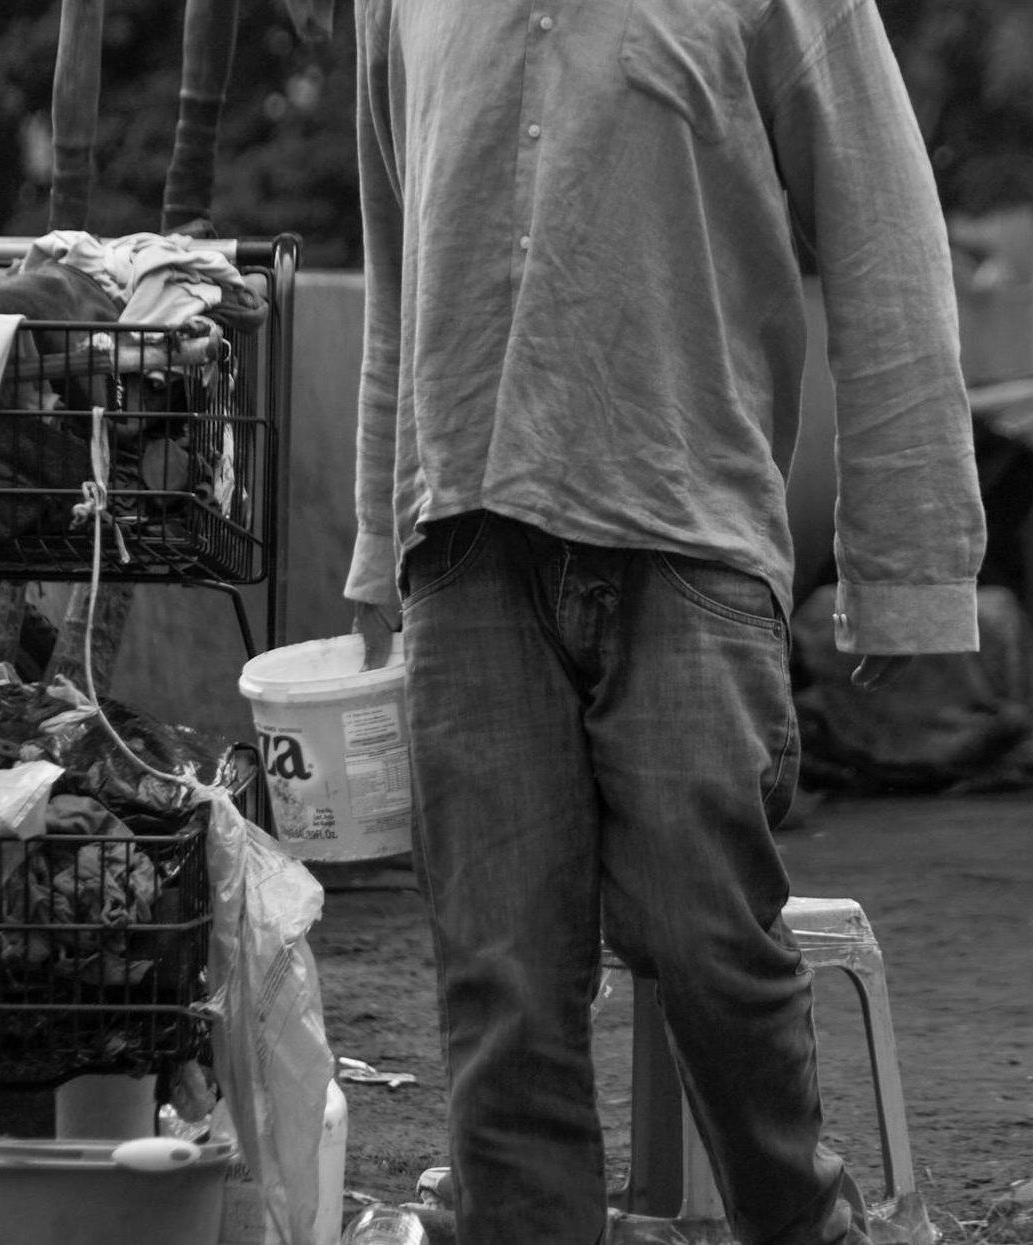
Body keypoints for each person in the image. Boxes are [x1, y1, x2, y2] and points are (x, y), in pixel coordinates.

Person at [347, 1, 986, 1241]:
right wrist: (381, 542)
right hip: (467, 537)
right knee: (504, 989)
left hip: (690, 531)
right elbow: (395, 262)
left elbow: (887, 243)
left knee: (710, 949)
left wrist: (908, 564)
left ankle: (804, 1224)